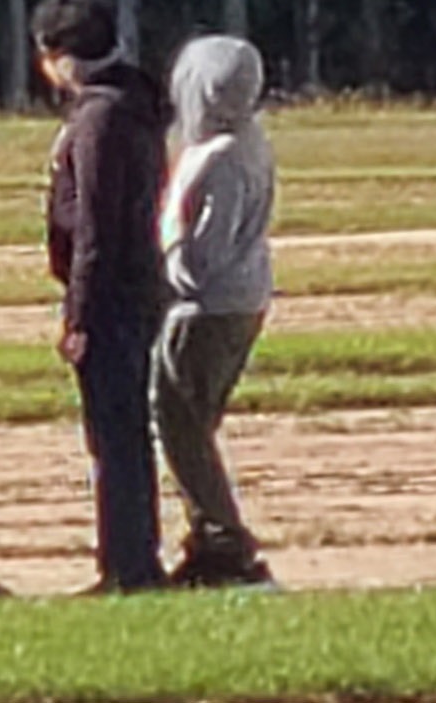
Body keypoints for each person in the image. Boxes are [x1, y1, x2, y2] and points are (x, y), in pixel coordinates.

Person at [31, 0, 172, 595]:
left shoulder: (99, 117)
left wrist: (78, 315)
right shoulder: (131, 100)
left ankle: (129, 565)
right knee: (121, 432)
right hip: (134, 289)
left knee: (115, 435)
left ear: (61, 57)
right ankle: (126, 558)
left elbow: (94, 225)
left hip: (112, 297)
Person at [152, 33, 277, 589]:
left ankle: (224, 541)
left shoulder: (220, 159)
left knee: (181, 425)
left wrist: (163, 271)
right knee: (191, 424)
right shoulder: (249, 139)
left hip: (208, 308)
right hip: (241, 299)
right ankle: (212, 538)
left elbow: (204, 255)